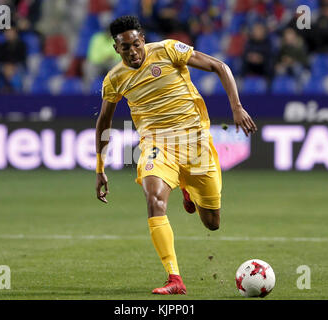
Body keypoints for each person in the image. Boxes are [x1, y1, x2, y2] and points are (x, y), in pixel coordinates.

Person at [95, 16, 257, 295]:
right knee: (154, 199)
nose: (132, 52)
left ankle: (187, 188)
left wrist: (237, 107)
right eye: (125, 48)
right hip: (157, 146)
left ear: (142, 40)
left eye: (136, 44)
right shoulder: (114, 79)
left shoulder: (168, 50)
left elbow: (220, 66)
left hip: (196, 144)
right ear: (116, 48)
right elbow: (104, 121)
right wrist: (100, 168)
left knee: (212, 223)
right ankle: (174, 278)